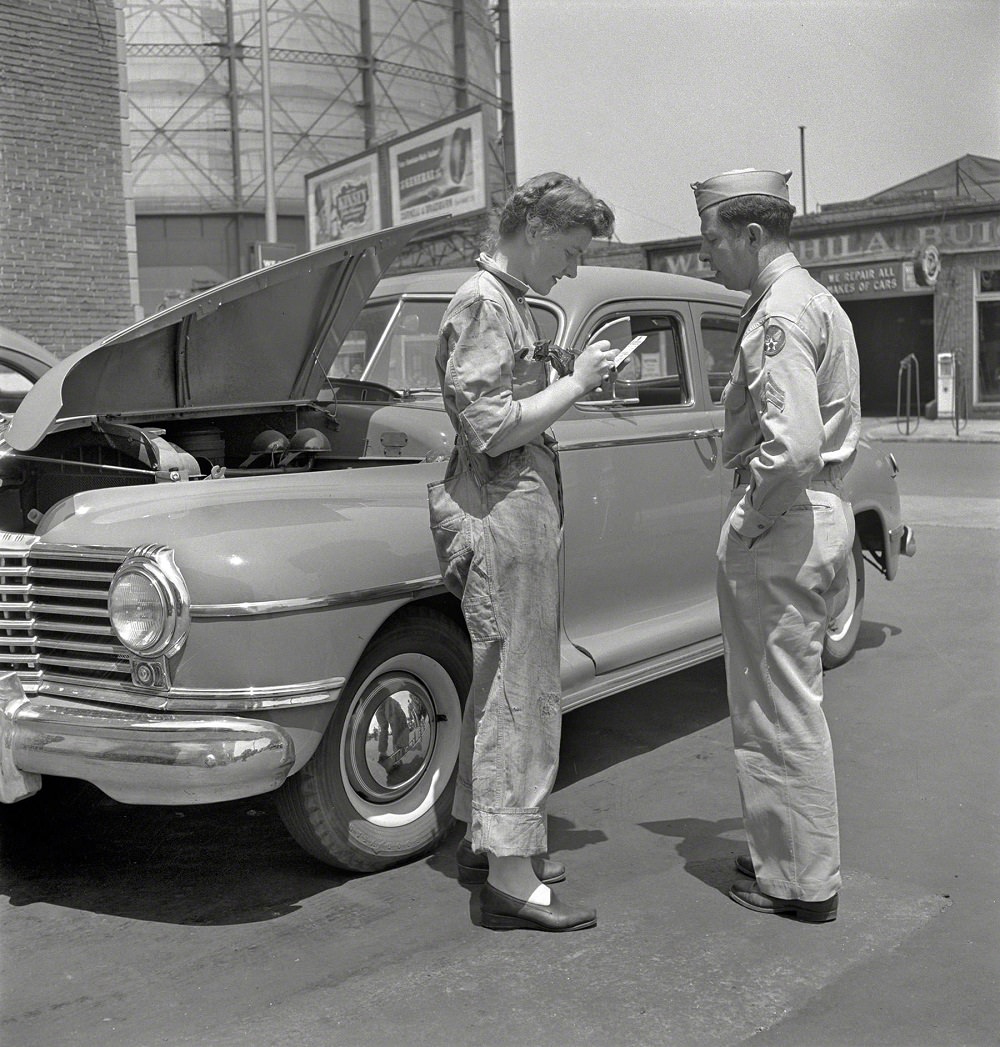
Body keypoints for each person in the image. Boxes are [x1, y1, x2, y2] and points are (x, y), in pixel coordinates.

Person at [427, 172, 617, 931]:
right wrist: (576, 384)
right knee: (522, 686)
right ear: (535, 230)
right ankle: (509, 877)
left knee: (501, 676)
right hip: (503, 509)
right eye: (569, 251)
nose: (571, 268)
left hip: (510, 506)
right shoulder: (482, 302)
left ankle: (491, 836)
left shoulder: (503, 300)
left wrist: (561, 369)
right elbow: (492, 427)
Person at [691, 168, 861, 922]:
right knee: (783, 704)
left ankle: (799, 882)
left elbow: (790, 449)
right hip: (820, 511)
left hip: (784, 522)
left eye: (713, 240)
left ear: (752, 235)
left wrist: (747, 518)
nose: (706, 258)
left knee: (777, 711)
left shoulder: (777, 317)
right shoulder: (815, 298)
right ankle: (783, 851)